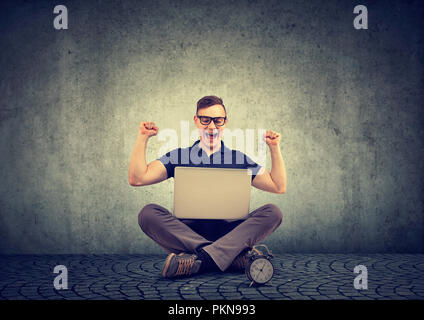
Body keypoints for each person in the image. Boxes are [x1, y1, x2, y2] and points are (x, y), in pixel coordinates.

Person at [128, 96, 287, 278]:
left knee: (273, 212)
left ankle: (201, 260)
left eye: (218, 121)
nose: (212, 127)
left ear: (225, 122)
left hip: (231, 233)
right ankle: (228, 256)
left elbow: (278, 186)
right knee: (148, 214)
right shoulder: (179, 156)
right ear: (196, 120)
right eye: (205, 120)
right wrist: (142, 138)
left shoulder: (239, 159)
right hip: (188, 234)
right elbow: (137, 178)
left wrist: (274, 148)